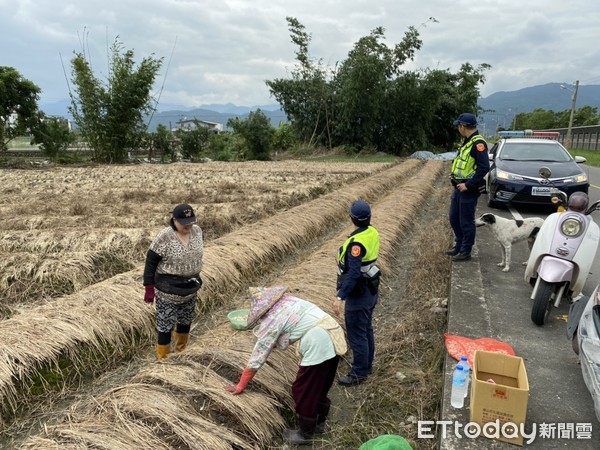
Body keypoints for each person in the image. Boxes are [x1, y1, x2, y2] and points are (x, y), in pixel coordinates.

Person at [225, 286, 346, 445]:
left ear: (263, 311)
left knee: (302, 388)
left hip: (319, 342)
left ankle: (305, 433)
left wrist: (241, 385)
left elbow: (258, 356)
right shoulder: (289, 301)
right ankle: (320, 421)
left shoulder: (273, 319)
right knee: (320, 384)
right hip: (333, 332)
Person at [143, 203, 204, 359]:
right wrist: (149, 287)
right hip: (167, 291)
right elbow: (151, 261)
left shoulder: (197, 231)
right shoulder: (165, 236)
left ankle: (181, 352)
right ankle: (163, 359)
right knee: (165, 326)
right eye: (184, 223)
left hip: (189, 290)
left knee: (186, 321)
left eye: (191, 221)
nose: (188, 225)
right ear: (174, 220)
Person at [333, 200, 381, 386]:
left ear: (352, 218)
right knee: (366, 329)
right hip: (370, 288)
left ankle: (358, 374)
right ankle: (367, 366)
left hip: (358, 293)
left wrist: (340, 297)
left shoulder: (356, 244)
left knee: (357, 334)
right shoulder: (371, 232)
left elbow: (353, 273)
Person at [447, 113, 490, 262]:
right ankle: (459, 245)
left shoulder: (478, 143)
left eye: (459, 126)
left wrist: (468, 184)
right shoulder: (467, 141)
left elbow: (484, 167)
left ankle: (466, 250)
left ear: (463, 126)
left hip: (468, 190)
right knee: (454, 218)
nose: (458, 128)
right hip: (458, 188)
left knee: (466, 221)